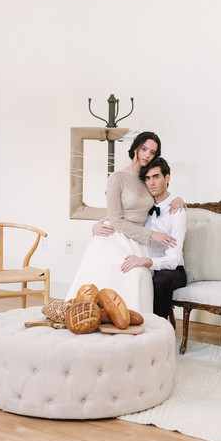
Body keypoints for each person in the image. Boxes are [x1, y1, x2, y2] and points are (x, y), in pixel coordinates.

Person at [65, 132, 181, 312]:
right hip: (115, 236)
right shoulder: (116, 178)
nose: (147, 155)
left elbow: (162, 197)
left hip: (138, 241)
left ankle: (132, 321)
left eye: (152, 152)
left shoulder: (148, 177)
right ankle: (94, 316)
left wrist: (180, 201)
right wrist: (152, 234)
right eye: (144, 149)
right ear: (135, 148)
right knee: (115, 270)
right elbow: (116, 219)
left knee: (139, 274)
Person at [94, 157, 187, 319]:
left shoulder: (176, 211)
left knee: (160, 281)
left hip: (171, 269)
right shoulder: (144, 207)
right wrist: (95, 227)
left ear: (167, 178)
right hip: (145, 262)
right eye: (148, 178)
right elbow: (121, 221)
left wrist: (145, 261)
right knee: (119, 269)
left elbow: (173, 260)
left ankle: (158, 327)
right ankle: (119, 320)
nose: (151, 183)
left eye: (156, 177)